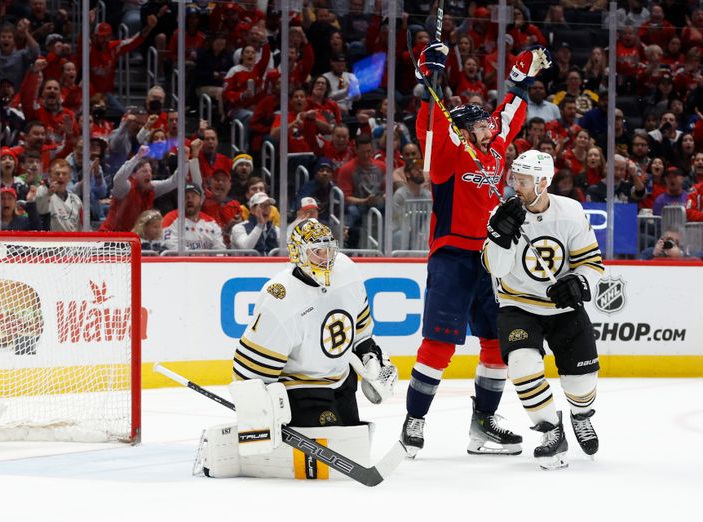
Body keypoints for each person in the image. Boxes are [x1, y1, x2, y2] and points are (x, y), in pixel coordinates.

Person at [400, 40, 552, 458]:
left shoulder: (495, 149)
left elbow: (510, 117)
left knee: (496, 344)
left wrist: (522, 79)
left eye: (490, 126)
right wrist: (431, 79)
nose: (493, 130)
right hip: (451, 255)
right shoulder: (449, 155)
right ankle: (414, 422)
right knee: (438, 344)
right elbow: (429, 130)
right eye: (483, 126)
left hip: (493, 257)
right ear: (464, 130)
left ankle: (483, 425)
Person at [196, 218, 398, 479]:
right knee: (326, 465)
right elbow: (248, 371)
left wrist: (371, 361)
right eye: (317, 251)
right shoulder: (280, 298)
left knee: (355, 443)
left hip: (342, 379)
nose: (326, 258)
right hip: (302, 387)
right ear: (298, 254)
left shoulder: (347, 270)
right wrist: (262, 418)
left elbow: (361, 330)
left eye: (329, 249)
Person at [482, 149, 603, 470]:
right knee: (522, 366)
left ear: (544, 181)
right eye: (514, 178)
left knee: (582, 382)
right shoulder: (501, 212)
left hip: (563, 306)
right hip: (518, 304)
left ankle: (580, 415)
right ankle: (551, 430)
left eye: (524, 180)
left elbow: (591, 263)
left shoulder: (571, 212)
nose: (515, 185)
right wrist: (500, 237)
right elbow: (494, 268)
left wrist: (578, 281)